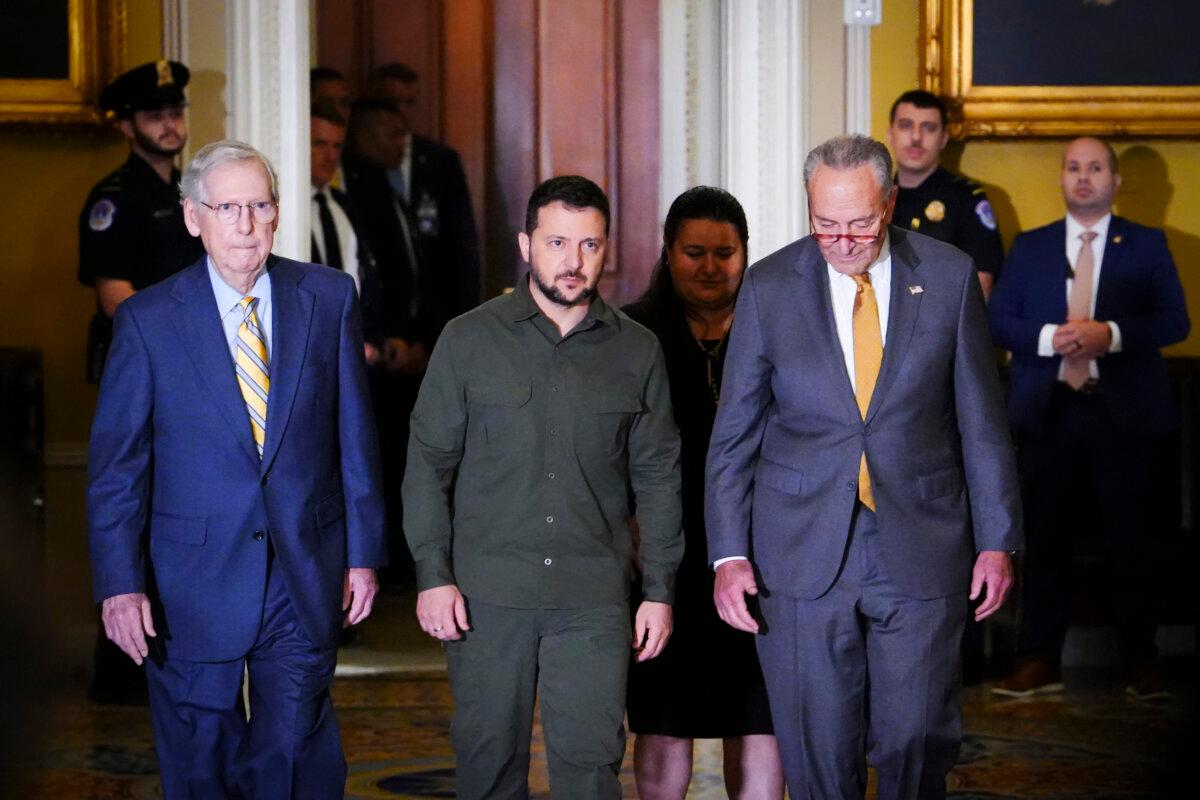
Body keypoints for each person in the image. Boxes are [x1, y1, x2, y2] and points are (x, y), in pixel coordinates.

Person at [706, 134, 1023, 800]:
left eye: (859, 223)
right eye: (825, 225)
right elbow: (733, 435)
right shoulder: (768, 286)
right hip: (798, 549)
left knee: (915, 735)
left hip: (922, 538)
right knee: (817, 745)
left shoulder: (948, 275)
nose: (842, 240)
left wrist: (997, 541)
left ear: (891, 201)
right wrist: (728, 555)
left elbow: (981, 424)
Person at [87, 140, 386, 798]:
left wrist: (363, 556)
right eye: (227, 207)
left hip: (301, 569)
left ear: (278, 214)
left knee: (295, 759)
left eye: (259, 205)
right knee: (201, 766)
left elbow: (355, 440)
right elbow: (117, 472)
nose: (245, 224)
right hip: (188, 582)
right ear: (194, 217)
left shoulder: (328, 298)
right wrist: (119, 584)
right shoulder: (147, 321)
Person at [403, 175, 684, 799]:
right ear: (526, 244)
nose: (573, 261)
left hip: (593, 598)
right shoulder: (468, 340)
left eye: (589, 245)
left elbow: (659, 478)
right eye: (558, 242)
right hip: (485, 596)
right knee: (488, 769)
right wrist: (432, 573)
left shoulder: (638, 352)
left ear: (607, 247)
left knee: (591, 772)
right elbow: (427, 465)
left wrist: (660, 589)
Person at [988, 137, 1190, 701]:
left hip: (1122, 414)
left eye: (1095, 167)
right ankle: (1038, 660)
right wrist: (1053, 337)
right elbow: (998, 322)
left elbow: (1176, 321)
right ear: (1060, 178)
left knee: (1133, 542)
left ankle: (1141, 663)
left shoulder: (1146, 245)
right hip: (1049, 414)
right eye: (1073, 167)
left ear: (1116, 180)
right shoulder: (1031, 247)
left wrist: (1113, 335)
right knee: (1044, 541)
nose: (1083, 177)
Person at [623, 187, 782, 800]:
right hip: (662, 555)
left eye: (726, 252)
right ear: (668, 252)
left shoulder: (776, 327)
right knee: (664, 714)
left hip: (760, 551)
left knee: (761, 712)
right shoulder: (631, 333)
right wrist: (630, 527)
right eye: (694, 252)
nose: (711, 268)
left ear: (746, 254)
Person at [78, 60, 206, 384]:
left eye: (175, 114)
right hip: (142, 356)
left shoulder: (194, 188)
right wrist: (184, 331)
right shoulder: (113, 199)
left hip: (195, 350)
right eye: (154, 118)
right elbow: (114, 298)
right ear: (127, 126)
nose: (169, 126)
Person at [369, 62, 482, 318]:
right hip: (383, 309)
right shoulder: (361, 160)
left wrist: (468, 314)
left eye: (410, 102)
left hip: (435, 308)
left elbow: (462, 243)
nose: (401, 110)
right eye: (392, 100)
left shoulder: (440, 160)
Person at [886, 90, 1004, 298]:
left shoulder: (966, 199)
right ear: (890, 134)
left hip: (941, 327)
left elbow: (979, 291)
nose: (916, 137)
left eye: (928, 128)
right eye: (906, 125)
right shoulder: (876, 198)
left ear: (943, 139)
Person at [310, 98, 386, 365]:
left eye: (336, 146)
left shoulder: (345, 206)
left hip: (358, 357)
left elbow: (367, 278)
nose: (330, 155)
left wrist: (373, 341)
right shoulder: (287, 210)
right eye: (319, 144)